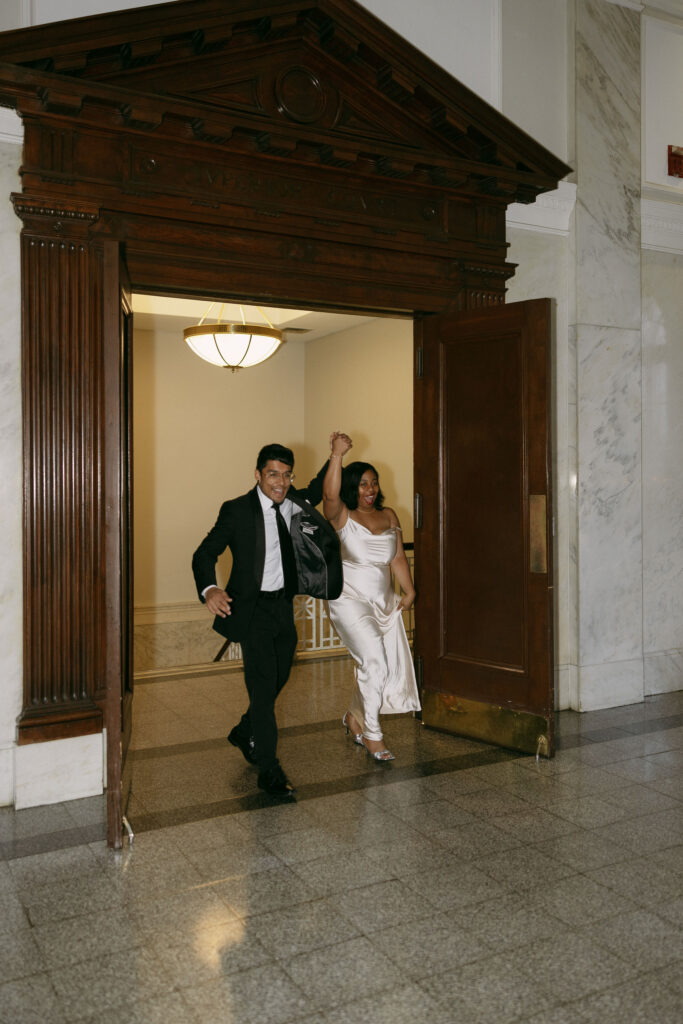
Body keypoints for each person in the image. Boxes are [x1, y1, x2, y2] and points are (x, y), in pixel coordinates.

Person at [192, 439, 350, 799]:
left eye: (286, 475)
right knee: (263, 688)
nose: (280, 482)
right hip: (252, 611)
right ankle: (269, 768)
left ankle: (244, 729)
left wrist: (336, 455)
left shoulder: (293, 502)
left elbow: (317, 486)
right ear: (258, 475)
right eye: (273, 475)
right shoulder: (236, 510)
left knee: (279, 676)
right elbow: (204, 553)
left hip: (283, 608)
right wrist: (210, 590)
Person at [323, 433, 420, 761]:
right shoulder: (341, 516)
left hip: (383, 602)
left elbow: (396, 559)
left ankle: (354, 716)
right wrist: (337, 455)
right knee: (375, 661)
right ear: (353, 487)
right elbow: (328, 494)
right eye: (363, 484)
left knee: (376, 663)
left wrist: (409, 590)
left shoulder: (390, 515)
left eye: (374, 483)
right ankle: (373, 736)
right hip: (349, 600)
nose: (370, 490)